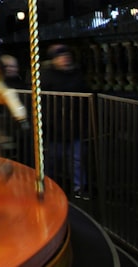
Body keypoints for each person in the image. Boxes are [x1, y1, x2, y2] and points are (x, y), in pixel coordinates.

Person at [41, 44, 92, 196]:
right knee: (53, 158)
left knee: (76, 158)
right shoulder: (46, 75)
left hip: (74, 123)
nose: (64, 59)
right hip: (54, 124)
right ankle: (49, 184)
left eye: (66, 57)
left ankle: (79, 187)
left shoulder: (76, 74)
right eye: (60, 57)